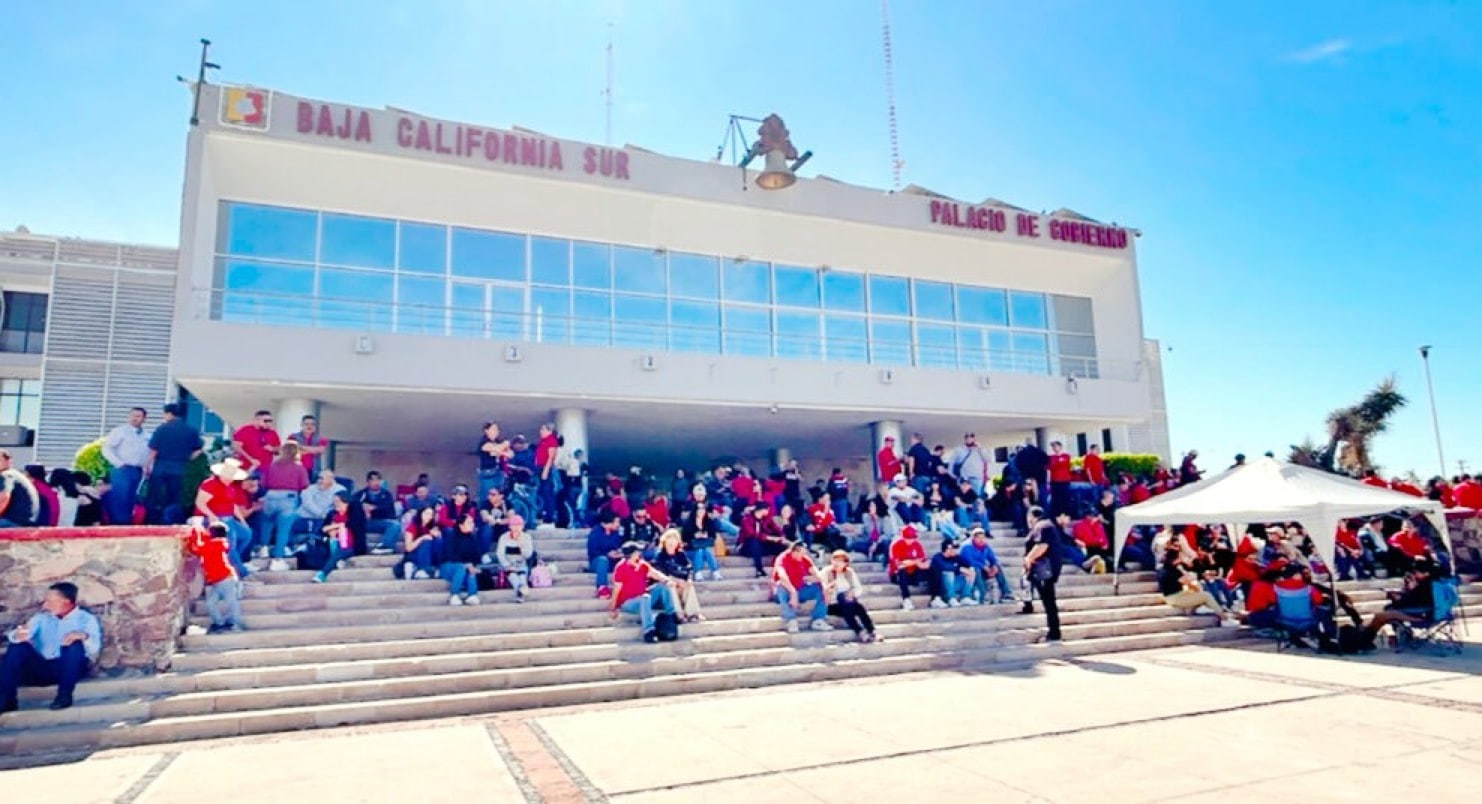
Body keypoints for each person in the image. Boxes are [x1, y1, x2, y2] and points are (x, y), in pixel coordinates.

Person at [1, 581, 101, 713]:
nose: (45, 605)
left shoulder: (86, 619)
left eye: (50, 601)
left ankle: (64, 697)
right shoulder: (41, 618)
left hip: (68, 669)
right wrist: (18, 635)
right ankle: (7, 701)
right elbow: (22, 633)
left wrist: (83, 636)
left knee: (74, 645)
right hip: (41, 667)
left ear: (66, 602)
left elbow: (94, 649)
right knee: (16, 648)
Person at [608, 542, 680, 643]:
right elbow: (617, 589)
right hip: (629, 603)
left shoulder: (642, 564)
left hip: (644, 597)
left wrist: (667, 580)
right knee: (645, 598)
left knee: (662, 586)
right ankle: (648, 631)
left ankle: (671, 614)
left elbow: (655, 574)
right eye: (637, 551)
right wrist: (613, 608)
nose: (639, 553)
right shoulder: (620, 567)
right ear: (631, 554)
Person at [144, 402, 203, 524]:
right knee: (174, 496)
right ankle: (170, 521)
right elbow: (198, 450)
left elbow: (153, 450)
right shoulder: (191, 430)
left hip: (161, 465)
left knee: (154, 495)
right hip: (180, 466)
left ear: (169, 414)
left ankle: (152, 521)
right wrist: (188, 458)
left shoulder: (162, 429)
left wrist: (146, 465)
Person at [195, 457, 252, 579]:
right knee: (230, 544)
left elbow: (233, 505)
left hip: (229, 518)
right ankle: (241, 572)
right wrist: (212, 516)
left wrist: (242, 521)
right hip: (218, 518)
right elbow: (200, 502)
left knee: (246, 535)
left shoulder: (230, 487)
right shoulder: (210, 484)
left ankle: (231, 561)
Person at [259, 441, 309, 571]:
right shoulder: (298, 468)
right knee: (283, 529)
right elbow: (304, 485)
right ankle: (277, 559)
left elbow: (263, 483)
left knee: (267, 523)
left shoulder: (273, 466)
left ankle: (263, 549)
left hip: (271, 495)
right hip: (289, 497)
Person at [187, 520, 243, 633]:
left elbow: (197, 548)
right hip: (215, 580)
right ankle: (219, 623)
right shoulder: (215, 543)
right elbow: (198, 548)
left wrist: (195, 530)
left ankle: (235, 624)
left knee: (231, 602)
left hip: (225, 578)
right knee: (210, 603)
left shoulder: (217, 543)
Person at [100, 407, 150, 526]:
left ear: (144, 419)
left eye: (138, 416)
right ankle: (117, 525)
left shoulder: (147, 435)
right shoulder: (119, 431)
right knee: (120, 498)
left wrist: (147, 468)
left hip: (138, 471)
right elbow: (106, 448)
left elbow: (148, 453)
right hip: (123, 469)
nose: (134, 419)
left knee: (131, 499)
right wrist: (118, 463)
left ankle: (127, 525)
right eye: (132, 415)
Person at [1021, 506, 1062, 642]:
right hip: (1044, 571)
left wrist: (1028, 558)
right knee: (1046, 600)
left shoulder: (1042, 526)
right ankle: (1027, 605)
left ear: (1032, 516)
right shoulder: (1047, 526)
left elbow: (1042, 546)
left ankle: (1054, 633)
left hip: (1043, 571)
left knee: (1049, 602)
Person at [772, 541, 832, 634]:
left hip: (800, 589)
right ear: (794, 551)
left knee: (821, 588)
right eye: (801, 553)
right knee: (781, 586)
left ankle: (818, 620)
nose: (803, 555)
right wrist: (793, 592)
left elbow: (818, 575)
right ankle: (790, 620)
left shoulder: (804, 559)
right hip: (785, 591)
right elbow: (782, 577)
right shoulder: (782, 558)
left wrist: (825, 589)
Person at [820, 550, 877, 642]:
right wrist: (830, 588)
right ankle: (860, 632)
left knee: (858, 607)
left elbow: (858, 588)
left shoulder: (849, 572)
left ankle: (871, 631)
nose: (837, 563)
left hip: (848, 603)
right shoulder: (826, 572)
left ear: (845, 563)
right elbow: (823, 588)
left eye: (840, 561)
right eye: (835, 560)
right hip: (832, 605)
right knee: (842, 598)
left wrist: (852, 593)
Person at [653, 529, 703, 623]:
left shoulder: (680, 554)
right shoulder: (660, 555)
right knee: (671, 585)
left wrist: (689, 579)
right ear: (664, 541)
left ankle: (692, 613)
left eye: (674, 540)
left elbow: (689, 568)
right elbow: (661, 573)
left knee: (689, 585)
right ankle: (678, 614)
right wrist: (676, 581)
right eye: (669, 539)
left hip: (681, 583)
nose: (671, 542)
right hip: (666, 586)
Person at [959, 527, 1015, 604]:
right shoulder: (966, 547)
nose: (981, 540)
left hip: (983, 569)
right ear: (973, 538)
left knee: (997, 567)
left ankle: (1006, 593)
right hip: (969, 571)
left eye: (983, 537)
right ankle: (984, 594)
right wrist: (983, 566)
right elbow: (970, 562)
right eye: (978, 538)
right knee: (976, 569)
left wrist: (994, 566)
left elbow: (993, 558)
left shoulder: (985, 546)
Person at [354, 470, 403, 556]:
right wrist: (363, 509)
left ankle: (385, 546)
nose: (376, 482)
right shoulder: (360, 494)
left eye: (378, 480)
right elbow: (352, 506)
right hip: (365, 523)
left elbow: (389, 510)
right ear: (368, 482)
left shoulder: (387, 494)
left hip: (381, 522)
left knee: (395, 525)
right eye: (373, 480)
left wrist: (373, 508)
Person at [311, 491, 355, 584]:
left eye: (338, 501)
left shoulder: (353, 514)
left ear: (346, 502)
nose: (336, 504)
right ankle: (336, 562)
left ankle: (322, 573)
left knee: (340, 550)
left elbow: (349, 527)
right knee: (330, 544)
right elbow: (324, 529)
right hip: (333, 541)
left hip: (349, 544)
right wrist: (332, 529)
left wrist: (336, 527)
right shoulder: (332, 514)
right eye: (334, 502)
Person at [680, 488, 722, 580]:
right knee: (699, 551)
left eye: (703, 509)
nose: (702, 511)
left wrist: (706, 535)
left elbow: (713, 535)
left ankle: (715, 571)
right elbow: (684, 538)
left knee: (706, 550)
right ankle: (698, 572)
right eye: (699, 509)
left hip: (705, 545)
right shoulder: (688, 523)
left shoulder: (708, 522)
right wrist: (694, 536)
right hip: (691, 548)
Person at [888, 524, 930, 610]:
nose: (911, 540)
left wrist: (924, 564)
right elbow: (899, 564)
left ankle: (936, 597)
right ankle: (906, 599)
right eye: (908, 538)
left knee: (933, 569)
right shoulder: (896, 545)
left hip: (913, 572)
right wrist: (914, 562)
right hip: (898, 574)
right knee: (902, 571)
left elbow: (923, 559)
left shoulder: (916, 544)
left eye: (912, 538)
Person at [738, 503, 787, 578]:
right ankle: (759, 570)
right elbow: (752, 534)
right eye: (767, 509)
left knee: (782, 547)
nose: (768, 511)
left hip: (762, 546)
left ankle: (779, 567)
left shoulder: (767, 519)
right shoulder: (747, 519)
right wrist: (769, 538)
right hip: (746, 547)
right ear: (762, 510)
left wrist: (781, 537)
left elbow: (776, 529)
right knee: (754, 541)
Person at [496, 513, 535, 603]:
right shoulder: (504, 537)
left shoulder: (526, 537)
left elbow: (528, 555)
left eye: (519, 525)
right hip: (508, 564)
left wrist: (521, 544)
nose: (517, 528)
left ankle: (519, 592)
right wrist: (507, 565)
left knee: (521, 576)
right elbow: (500, 554)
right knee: (513, 576)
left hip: (521, 564)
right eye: (514, 525)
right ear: (510, 527)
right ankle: (520, 589)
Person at [929, 538, 978, 608]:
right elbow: (945, 567)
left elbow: (969, 564)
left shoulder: (956, 557)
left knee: (971, 572)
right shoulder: (937, 558)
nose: (956, 550)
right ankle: (951, 598)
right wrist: (960, 569)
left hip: (955, 584)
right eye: (954, 548)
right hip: (943, 587)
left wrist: (969, 570)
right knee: (949, 573)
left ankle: (965, 597)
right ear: (948, 549)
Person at [587, 510, 625, 599]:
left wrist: (619, 553)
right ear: (607, 524)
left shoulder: (616, 533)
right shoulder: (595, 533)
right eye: (616, 522)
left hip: (613, 561)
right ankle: (602, 588)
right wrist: (607, 554)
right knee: (602, 560)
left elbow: (619, 546)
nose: (618, 524)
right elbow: (593, 552)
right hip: (598, 562)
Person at [231, 410, 280, 474]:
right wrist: (251, 459)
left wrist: (272, 449)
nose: (268, 423)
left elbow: (279, 450)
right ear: (257, 420)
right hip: (246, 468)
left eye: (270, 421)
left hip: (265, 469)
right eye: (266, 421)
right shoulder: (245, 430)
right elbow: (237, 447)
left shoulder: (272, 433)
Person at [401, 505, 442, 580]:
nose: (429, 516)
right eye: (426, 513)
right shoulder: (412, 527)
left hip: (429, 556)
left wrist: (437, 535)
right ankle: (422, 569)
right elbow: (408, 548)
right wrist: (421, 538)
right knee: (426, 541)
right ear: (420, 514)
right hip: (413, 554)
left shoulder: (432, 527)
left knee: (438, 541)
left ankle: (436, 568)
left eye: (431, 514)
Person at [476, 421, 513, 500]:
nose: (496, 431)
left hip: (498, 471)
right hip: (487, 473)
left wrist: (503, 450)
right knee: (486, 496)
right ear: (486, 430)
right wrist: (504, 445)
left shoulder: (498, 442)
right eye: (493, 429)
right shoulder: (484, 442)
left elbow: (510, 454)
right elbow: (494, 449)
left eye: (497, 429)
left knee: (499, 495)